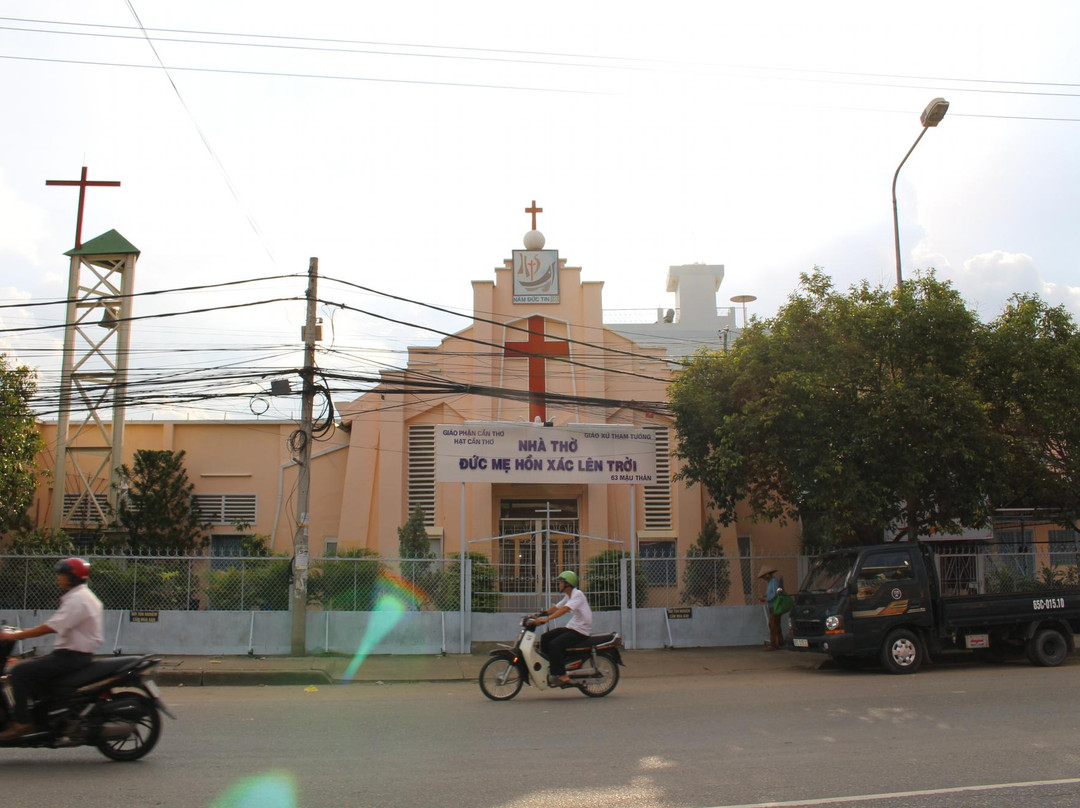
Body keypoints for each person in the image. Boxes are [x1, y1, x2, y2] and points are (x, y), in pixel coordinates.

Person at [0, 557, 103, 740]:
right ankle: (41, 716)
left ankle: (22, 723)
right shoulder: (80, 596)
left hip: (70, 657)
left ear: (72, 577)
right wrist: (18, 632)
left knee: (19, 672)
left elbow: (51, 627)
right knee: (33, 669)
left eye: (62, 574)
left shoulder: (78, 600)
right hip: (71, 655)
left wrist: (16, 635)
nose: (58, 578)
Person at [534, 570, 592, 686]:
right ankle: (554, 664)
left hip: (581, 631)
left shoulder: (577, 594)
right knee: (545, 637)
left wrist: (547, 619)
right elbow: (556, 608)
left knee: (554, 644)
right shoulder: (568, 596)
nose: (559, 584)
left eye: (561, 582)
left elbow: (564, 609)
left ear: (567, 584)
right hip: (573, 627)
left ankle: (561, 674)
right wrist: (538, 615)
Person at [758, 565, 784, 651]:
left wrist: (765, 599)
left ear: (767, 575)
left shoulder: (774, 582)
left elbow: (775, 594)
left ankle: (774, 644)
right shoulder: (771, 582)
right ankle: (780, 642)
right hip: (773, 606)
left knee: (772, 624)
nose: (763, 578)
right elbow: (772, 593)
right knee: (776, 624)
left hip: (775, 606)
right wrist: (765, 596)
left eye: (764, 576)